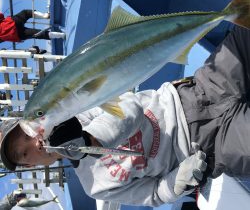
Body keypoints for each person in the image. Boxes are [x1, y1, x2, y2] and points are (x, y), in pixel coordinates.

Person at [0, 25, 250, 206]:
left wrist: (89, 141)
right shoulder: (94, 186)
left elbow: (131, 107)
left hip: (200, 90)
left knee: (245, 22)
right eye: (23, 153)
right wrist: (177, 182)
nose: (35, 143)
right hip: (209, 147)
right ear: (31, 165)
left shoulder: (78, 112)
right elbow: (153, 193)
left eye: (26, 134)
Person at [0, 10, 66, 43]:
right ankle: (45, 16)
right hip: (12, 23)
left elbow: (3, 40)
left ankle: (61, 35)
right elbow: (1, 15)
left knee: (38, 34)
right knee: (26, 13)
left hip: (17, 35)